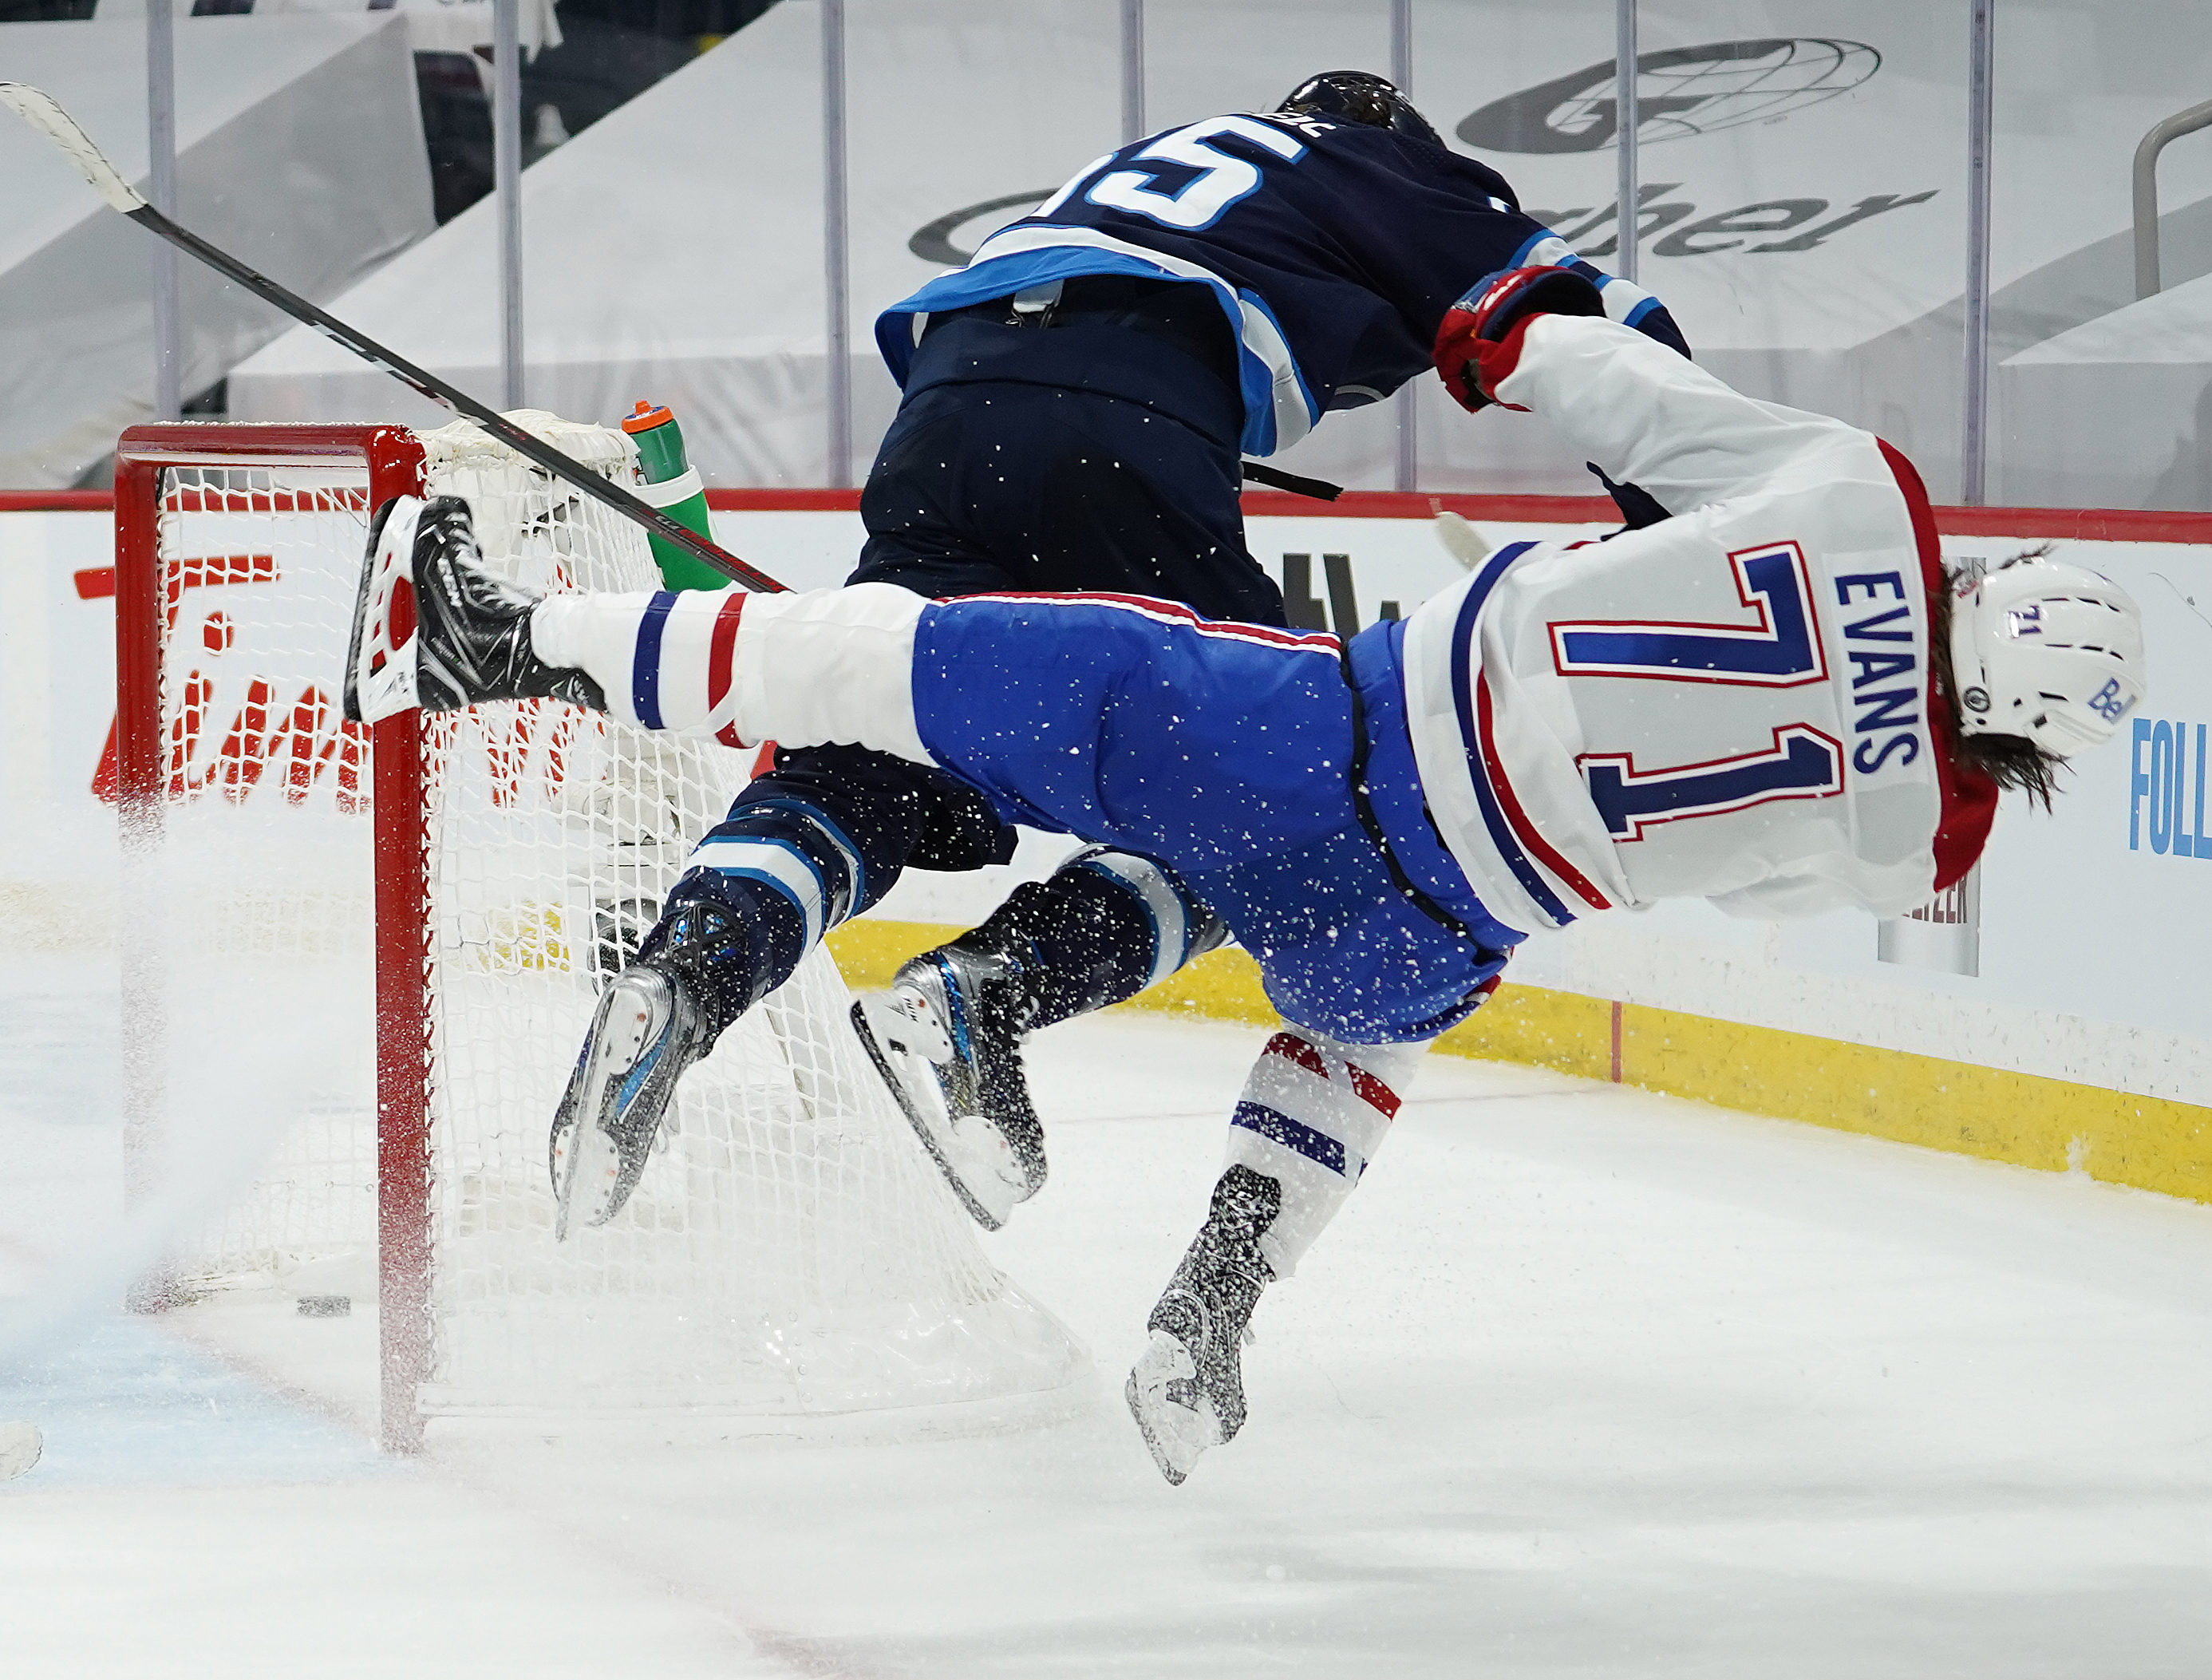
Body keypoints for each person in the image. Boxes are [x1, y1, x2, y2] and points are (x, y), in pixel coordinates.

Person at [347, 268, 2146, 1482]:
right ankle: (1207, 1300)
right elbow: (1725, 873)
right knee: (1353, 1046)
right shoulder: (1907, 836)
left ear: (1992, 589)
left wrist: (1502, 333)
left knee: (901, 661)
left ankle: (506, 644)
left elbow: (1595, 376)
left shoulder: (1856, 491)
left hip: (1328, 736)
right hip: (1451, 918)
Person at [589, 72, 1696, 1234]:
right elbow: (1601, 320)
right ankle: (986, 992)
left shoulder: (1176, 161)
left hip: (949, 409)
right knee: (1282, 798)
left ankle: (684, 973)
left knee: (873, 750)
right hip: (1125, 419)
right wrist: (1677, 527)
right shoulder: (1383, 171)